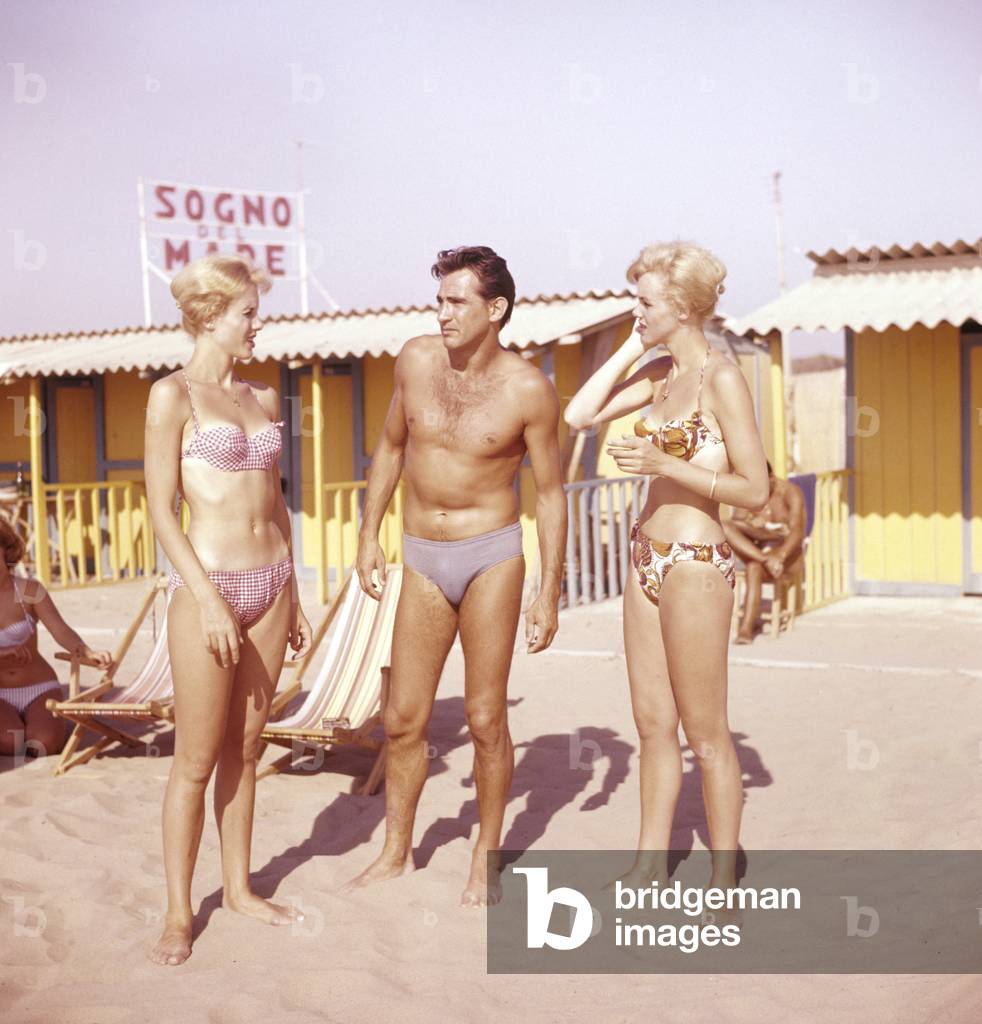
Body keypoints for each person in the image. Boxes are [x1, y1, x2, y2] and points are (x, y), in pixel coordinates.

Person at [347, 245, 566, 907]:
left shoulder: (528, 388)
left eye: (456, 301)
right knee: (404, 719)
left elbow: (551, 494)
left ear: (494, 309)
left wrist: (547, 589)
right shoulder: (414, 360)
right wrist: (367, 533)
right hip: (418, 555)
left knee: (482, 716)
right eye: (438, 300)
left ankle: (485, 856)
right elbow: (389, 446)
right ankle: (395, 850)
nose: (441, 313)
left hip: (489, 556)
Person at [564, 242, 768, 895]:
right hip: (644, 559)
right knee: (652, 726)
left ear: (680, 305)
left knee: (705, 735)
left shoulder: (722, 378)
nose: (635, 309)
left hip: (695, 564)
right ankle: (650, 862)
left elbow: (754, 488)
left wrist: (667, 467)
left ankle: (724, 876)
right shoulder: (661, 376)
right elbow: (579, 415)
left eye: (645, 301)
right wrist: (633, 344)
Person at [144, 253, 313, 966]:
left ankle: (239, 888)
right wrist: (208, 599)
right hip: (207, 587)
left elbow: (275, 501)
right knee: (194, 758)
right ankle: (180, 911)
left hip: (271, 584)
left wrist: (295, 589)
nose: (257, 322)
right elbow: (160, 510)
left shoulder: (262, 400)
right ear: (211, 316)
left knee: (247, 748)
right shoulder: (171, 397)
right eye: (248, 311)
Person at [0, 518, 112, 757]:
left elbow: (61, 630)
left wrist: (87, 652)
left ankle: (45, 722)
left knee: (42, 745)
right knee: (12, 745)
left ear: (5, 548)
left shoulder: (30, 591)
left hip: (39, 687)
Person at [722, 460, 807, 644]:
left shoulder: (790, 493)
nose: (758, 488)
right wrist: (752, 523)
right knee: (725, 527)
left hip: (786, 554)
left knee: (754, 566)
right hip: (761, 550)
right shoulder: (752, 494)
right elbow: (737, 522)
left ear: (771, 477)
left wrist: (780, 555)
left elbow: (797, 532)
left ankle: (746, 629)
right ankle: (746, 629)